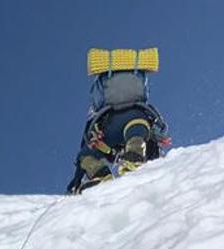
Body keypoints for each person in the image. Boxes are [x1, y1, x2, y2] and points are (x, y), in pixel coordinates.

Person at [66, 48, 169, 194]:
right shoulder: (140, 111)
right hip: (136, 121)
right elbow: (154, 127)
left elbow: (85, 146)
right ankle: (135, 155)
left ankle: (100, 175)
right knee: (137, 129)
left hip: (108, 129)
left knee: (86, 155)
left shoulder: (98, 117)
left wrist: (77, 178)